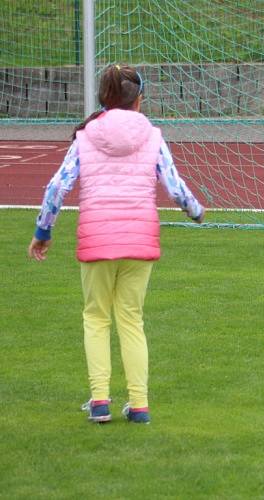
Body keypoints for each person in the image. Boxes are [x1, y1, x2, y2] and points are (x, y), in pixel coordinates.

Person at [28, 64, 205, 424]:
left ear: (103, 98)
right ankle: (139, 404)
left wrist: (43, 232)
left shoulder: (86, 135)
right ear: (139, 99)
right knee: (131, 319)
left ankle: (100, 401)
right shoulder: (153, 135)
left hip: (97, 238)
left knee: (95, 317)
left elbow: (56, 187)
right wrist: (196, 211)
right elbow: (174, 185)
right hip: (139, 238)